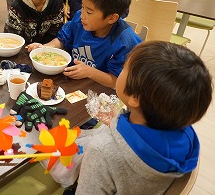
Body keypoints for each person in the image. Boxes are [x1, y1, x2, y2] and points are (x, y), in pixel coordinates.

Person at [73, 41, 212, 194]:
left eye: (124, 67)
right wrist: (116, 124)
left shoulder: (101, 151)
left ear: (134, 97)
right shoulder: (187, 137)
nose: (121, 70)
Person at [28, 0, 142, 88]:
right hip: (72, 82)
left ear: (112, 18)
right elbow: (63, 39)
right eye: (82, 7)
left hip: (99, 92)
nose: (82, 15)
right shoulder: (80, 19)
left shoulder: (126, 43)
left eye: (89, 12)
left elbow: (117, 81)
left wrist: (89, 72)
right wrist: (45, 48)